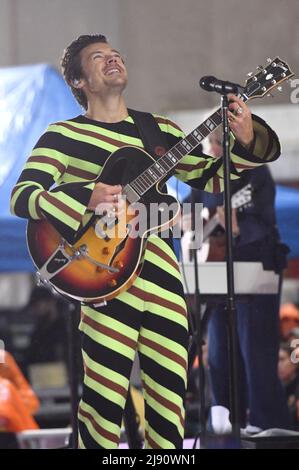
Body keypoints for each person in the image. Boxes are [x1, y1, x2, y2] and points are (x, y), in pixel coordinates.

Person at [10, 34, 282, 449]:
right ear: (80, 82)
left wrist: (242, 140)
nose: (112, 58)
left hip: (162, 279)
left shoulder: (159, 129)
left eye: (114, 53)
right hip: (101, 276)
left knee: (169, 404)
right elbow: (22, 196)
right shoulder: (61, 135)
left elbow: (215, 180)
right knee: (102, 407)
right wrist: (88, 196)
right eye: (98, 58)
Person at [205, 130, 291, 433]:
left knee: (255, 350)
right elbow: (193, 211)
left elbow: (262, 220)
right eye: (210, 144)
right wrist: (188, 220)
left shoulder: (255, 173)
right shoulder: (205, 177)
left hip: (255, 269)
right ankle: (227, 420)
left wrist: (237, 227)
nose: (213, 150)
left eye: (218, 144)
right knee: (218, 354)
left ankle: (267, 422)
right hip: (216, 274)